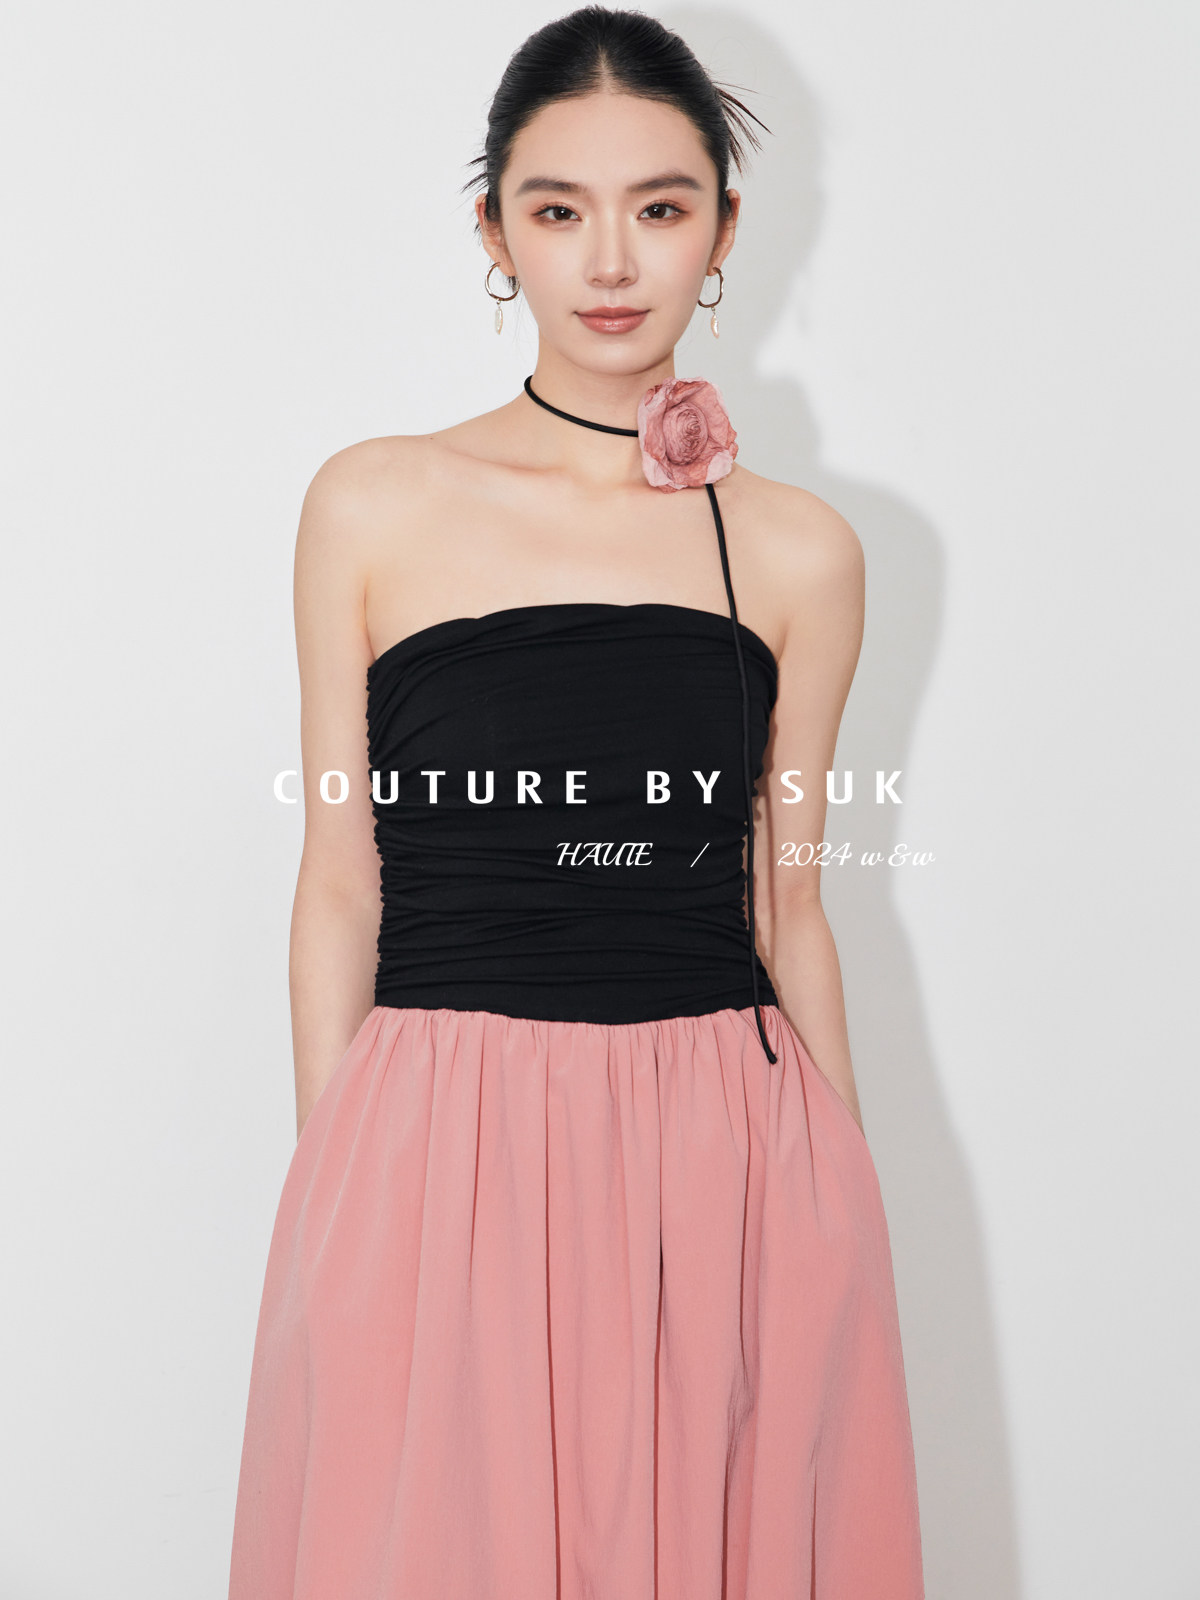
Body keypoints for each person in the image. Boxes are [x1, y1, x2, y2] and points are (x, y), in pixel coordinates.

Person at [227, 7, 924, 1597]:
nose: (612, 261)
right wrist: (336, 1182)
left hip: (722, 1148)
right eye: (559, 210)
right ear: (496, 233)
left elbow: (788, 904)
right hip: (438, 1142)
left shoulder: (803, 549)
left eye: (660, 207)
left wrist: (844, 1201)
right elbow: (338, 879)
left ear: (725, 230)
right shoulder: (374, 501)